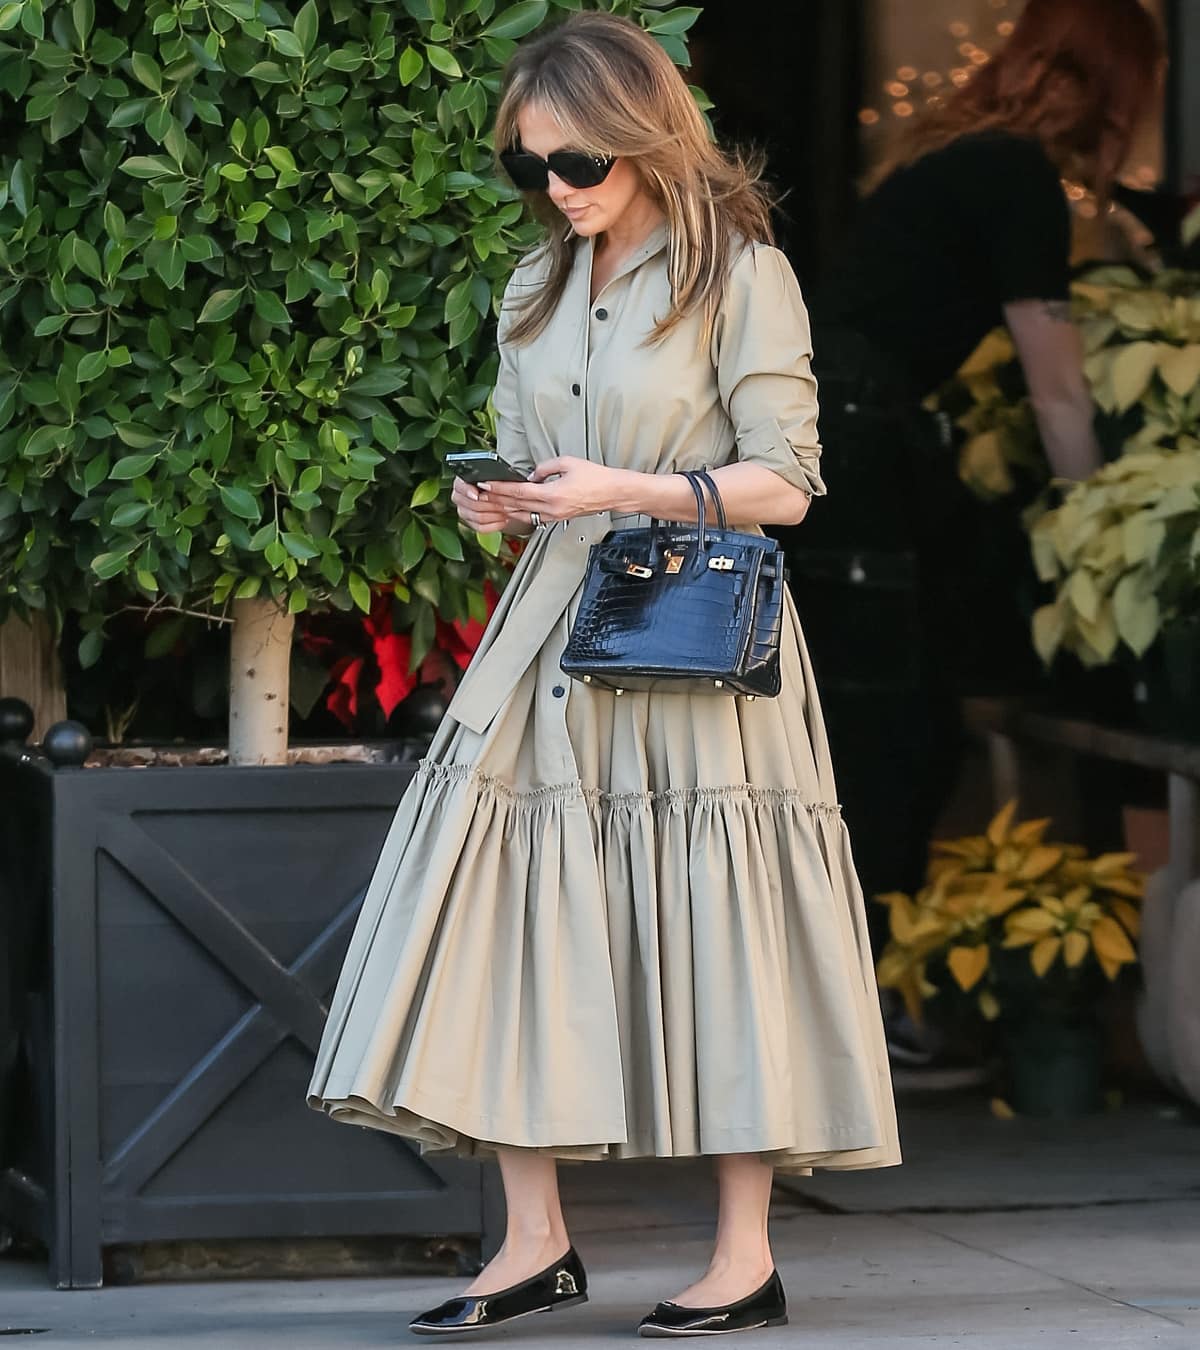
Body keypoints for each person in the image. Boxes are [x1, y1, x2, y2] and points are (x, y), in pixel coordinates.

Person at [307, 12, 899, 1340]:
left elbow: (788, 484)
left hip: (689, 633)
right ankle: (533, 1240)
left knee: (719, 919)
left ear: (643, 137)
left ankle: (745, 1257)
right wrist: (504, 505)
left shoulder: (740, 273)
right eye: (529, 168)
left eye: (576, 163)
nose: (556, 191)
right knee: (513, 911)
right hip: (551, 629)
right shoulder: (533, 289)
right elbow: (535, 460)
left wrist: (630, 485)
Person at [781, 0, 1165, 921]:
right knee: (895, 721)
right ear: (1106, 85)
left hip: (821, 429)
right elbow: (1058, 386)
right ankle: (879, 991)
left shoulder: (946, 154)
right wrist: (1095, 522)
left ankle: (859, 986)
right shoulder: (1018, 175)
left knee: (852, 711)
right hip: (863, 444)